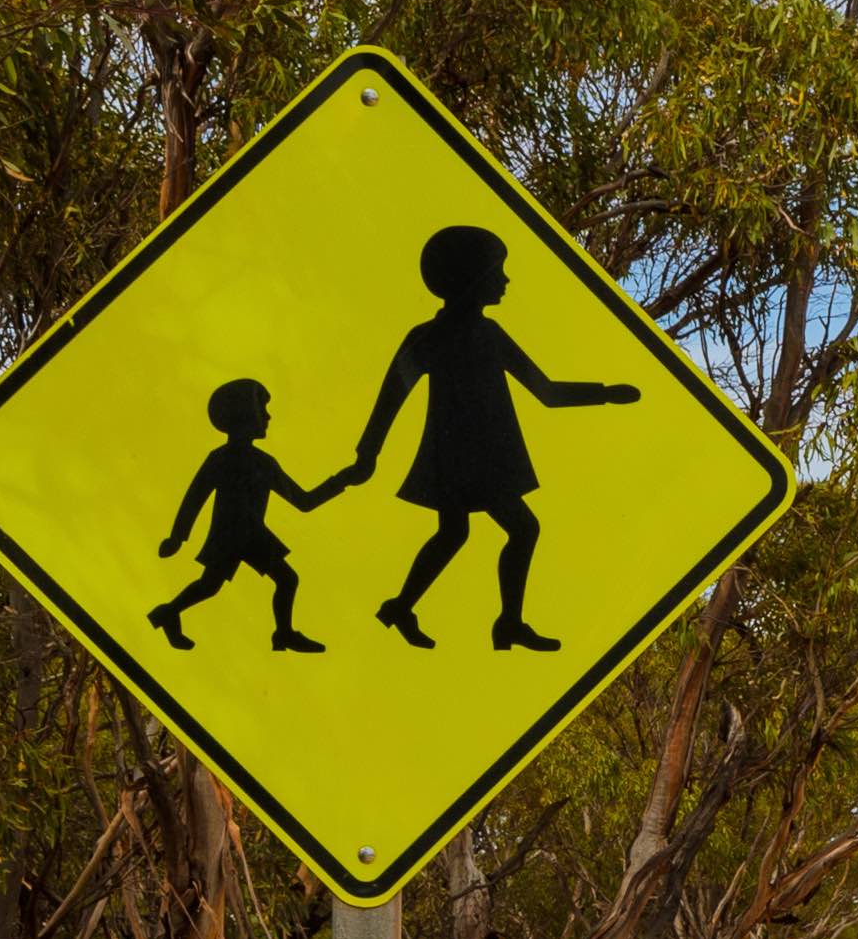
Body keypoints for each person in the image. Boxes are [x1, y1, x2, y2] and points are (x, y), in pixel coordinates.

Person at [333, 224, 640, 650]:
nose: (506, 281)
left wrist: (603, 394)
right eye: (499, 271)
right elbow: (391, 398)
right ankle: (501, 621)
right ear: (474, 278)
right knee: (519, 528)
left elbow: (545, 391)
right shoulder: (434, 336)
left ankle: (407, 607)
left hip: (477, 454)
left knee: (460, 532)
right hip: (470, 458)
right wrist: (367, 456)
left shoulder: (483, 333)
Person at [148, 379, 350, 652]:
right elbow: (195, 497)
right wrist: (177, 537)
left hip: (252, 533)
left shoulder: (265, 463)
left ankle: (282, 633)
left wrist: (340, 482)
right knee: (213, 586)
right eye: (262, 409)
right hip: (229, 536)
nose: (268, 416)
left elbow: (303, 501)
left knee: (275, 580)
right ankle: (169, 612)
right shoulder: (220, 458)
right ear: (244, 414)